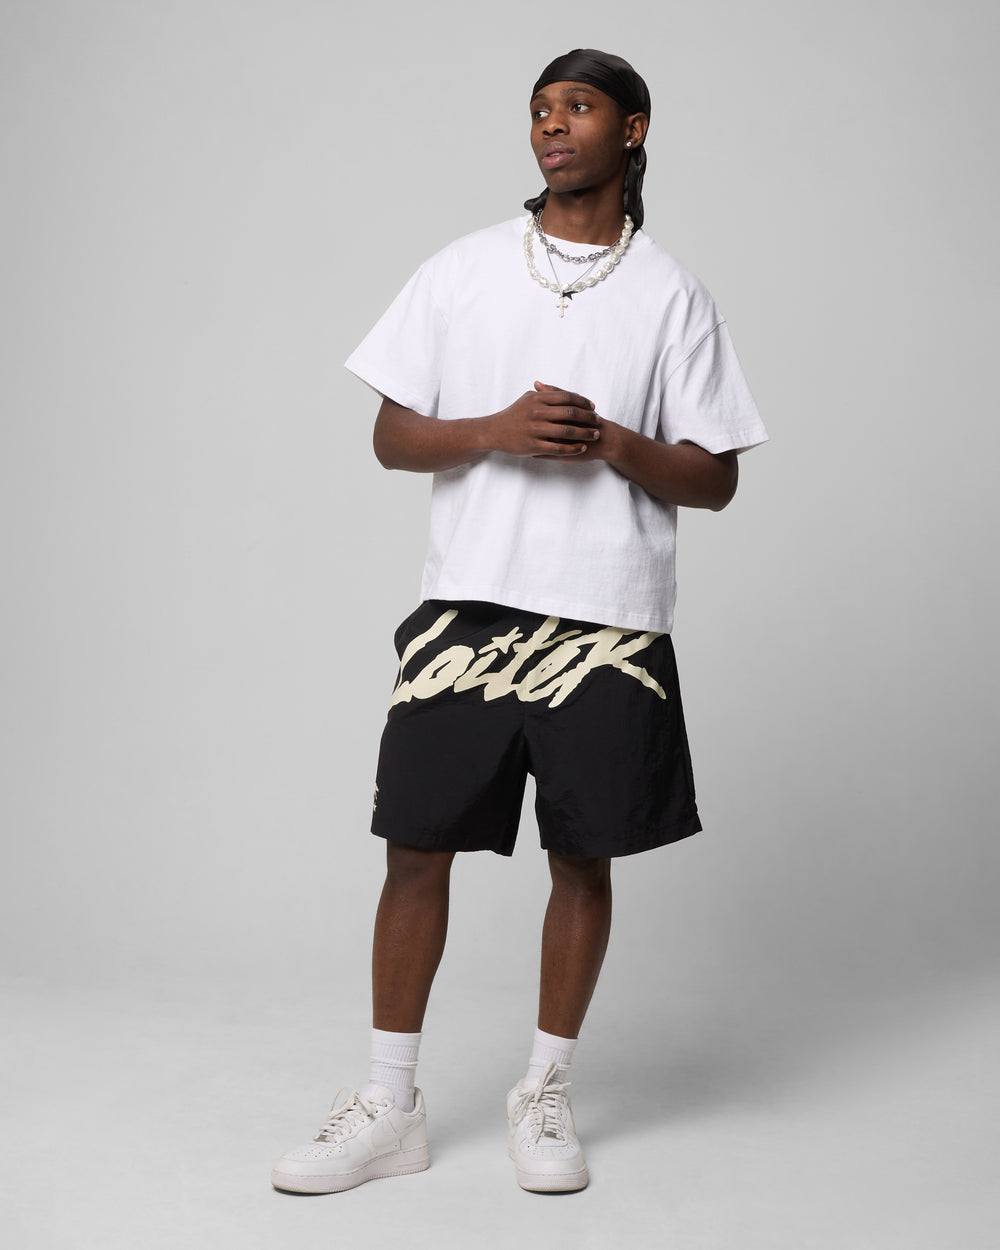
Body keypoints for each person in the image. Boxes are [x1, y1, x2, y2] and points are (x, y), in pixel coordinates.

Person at [271, 48, 767, 1196]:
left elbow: (716, 478)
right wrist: (494, 429)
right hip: (469, 605)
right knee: (415, 847)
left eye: (578, 107)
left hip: (608, 617)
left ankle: (544, 1086)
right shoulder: (462, 268)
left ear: (631, 130)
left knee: (581, 856)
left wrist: (615, 444)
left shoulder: (671, 293)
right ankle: (389, 1102)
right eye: (540, 109)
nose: (552, 125)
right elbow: (392, 436)